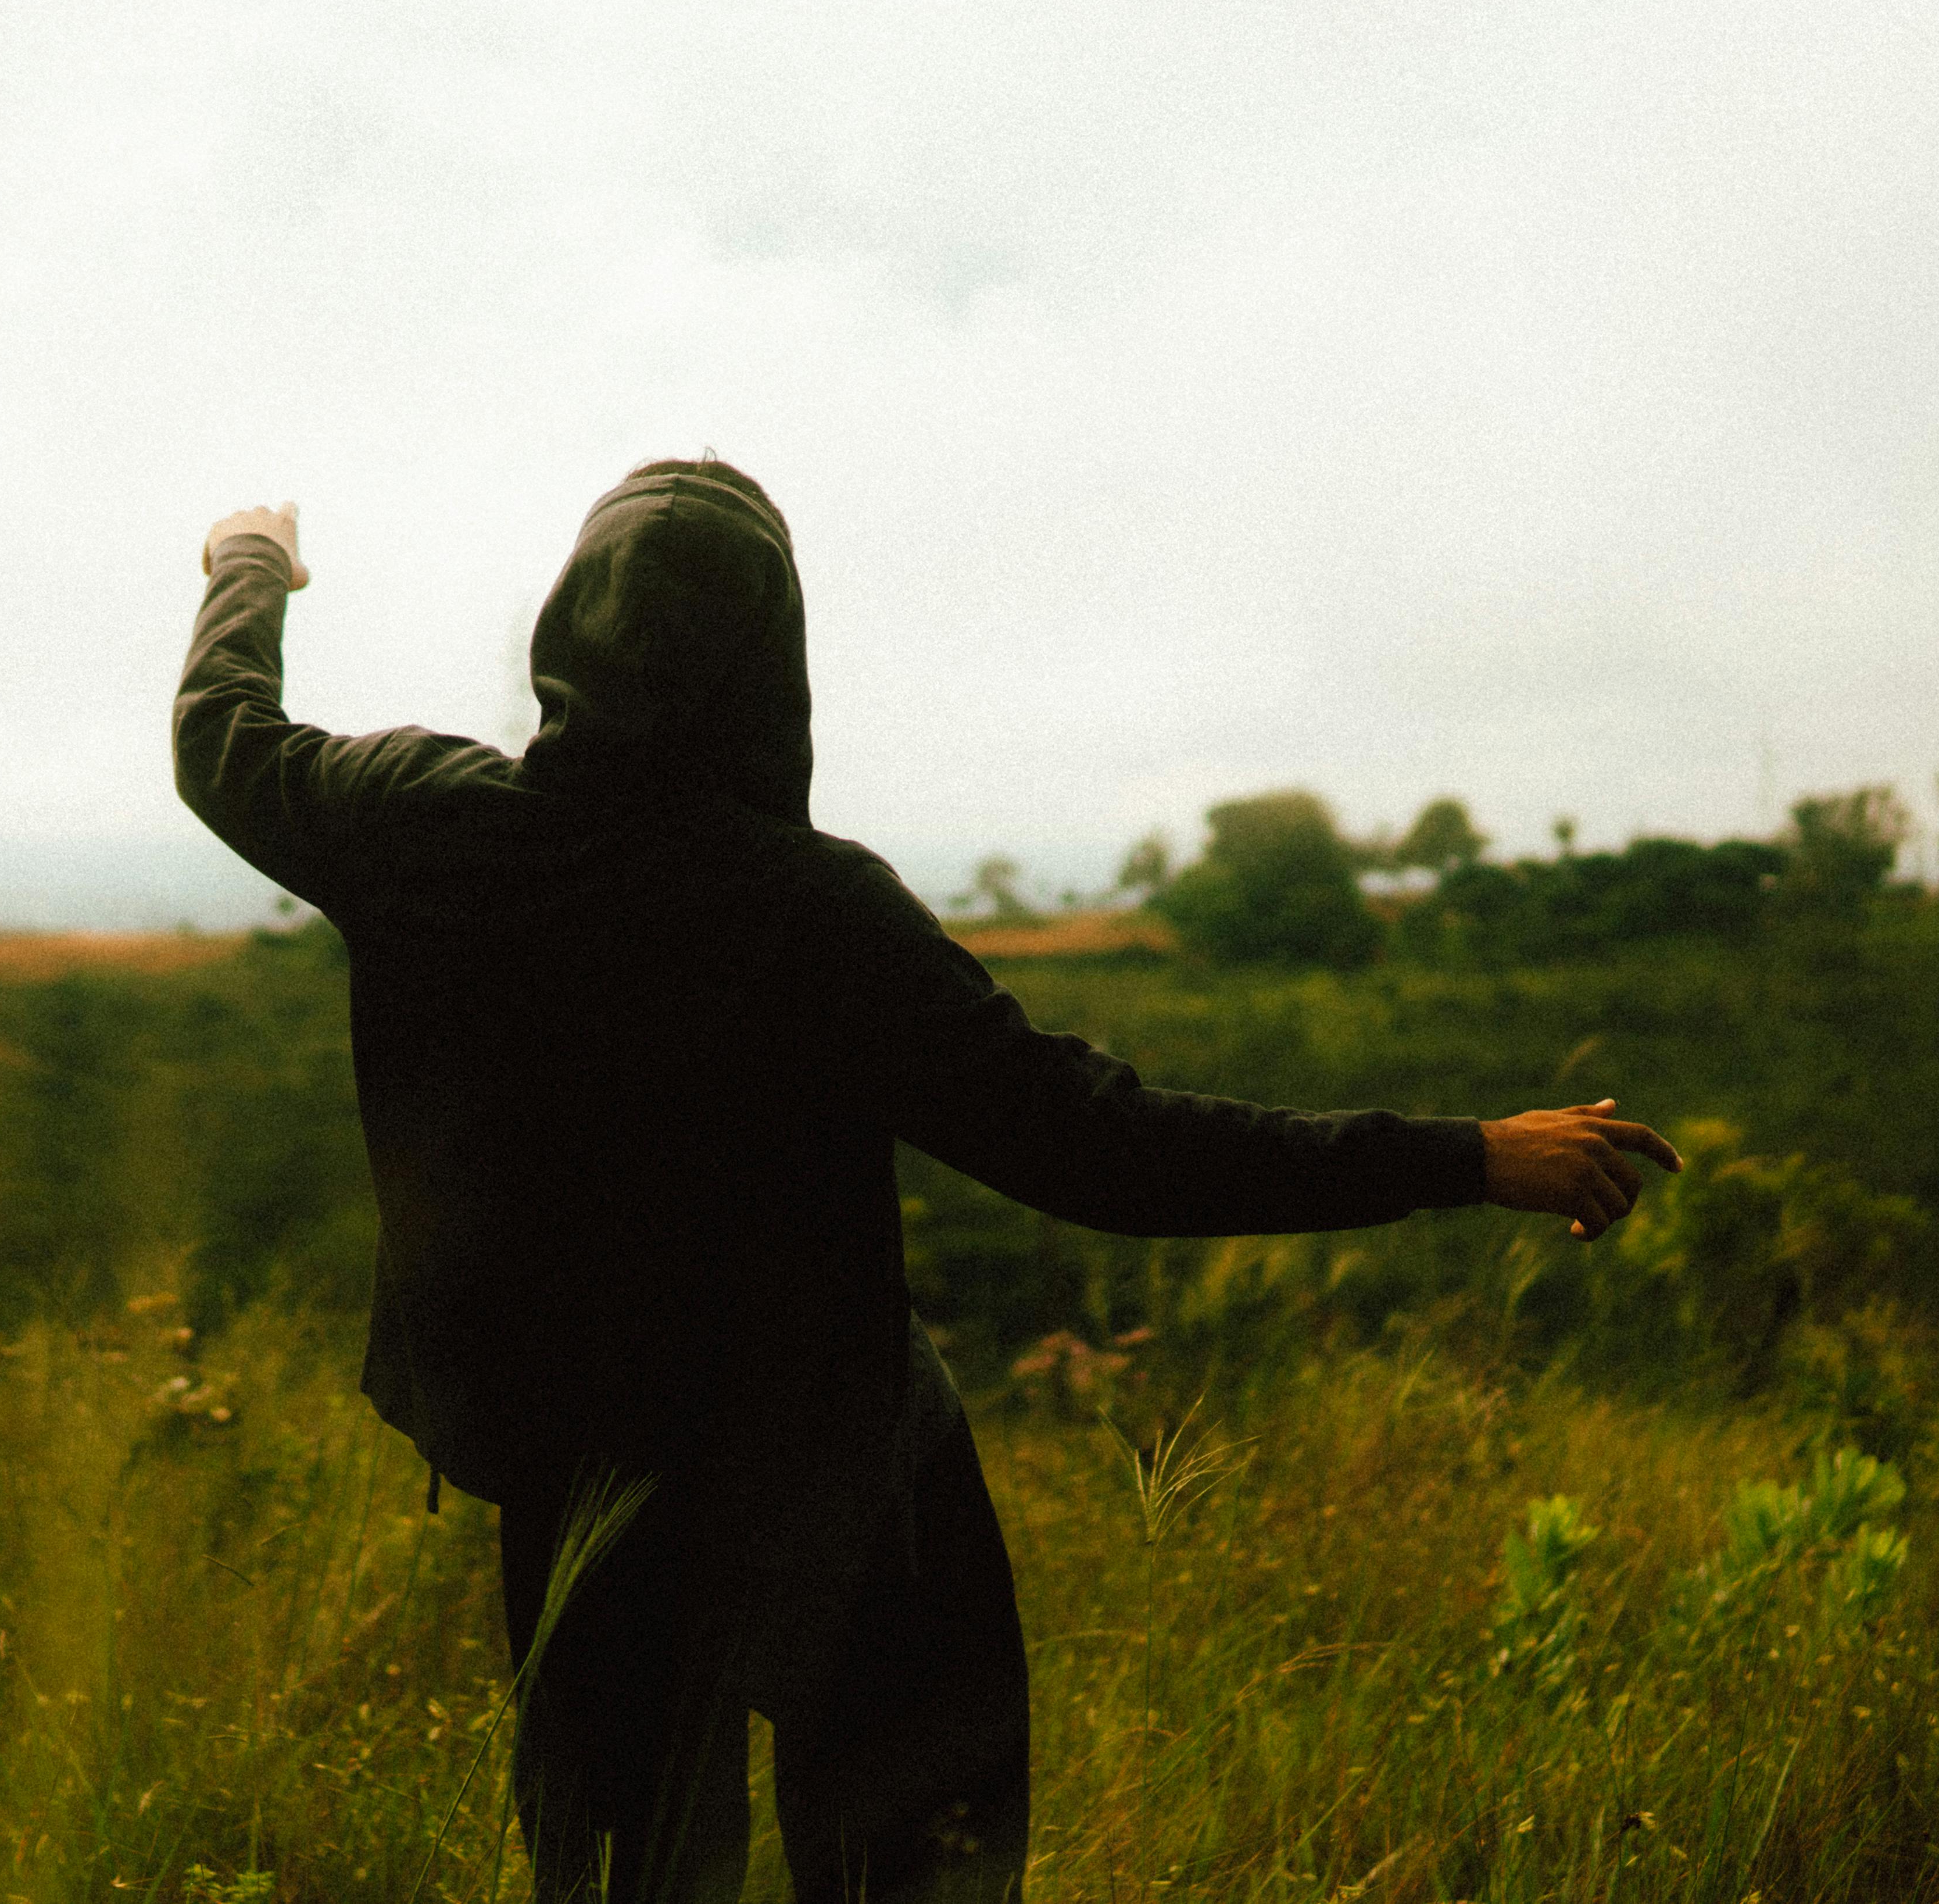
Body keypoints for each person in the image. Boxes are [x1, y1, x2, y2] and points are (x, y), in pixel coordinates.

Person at [174, 460, 1680, 1904]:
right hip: (830, 1479)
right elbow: (1102, 1146)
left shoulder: (418, 819)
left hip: (570, 1470)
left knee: (627, 1871)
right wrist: (1463, 1156)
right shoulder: (813, 912)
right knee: (918, 1866)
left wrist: (253, 560)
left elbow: (221, 734)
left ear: (567, 628)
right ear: (770, 661)